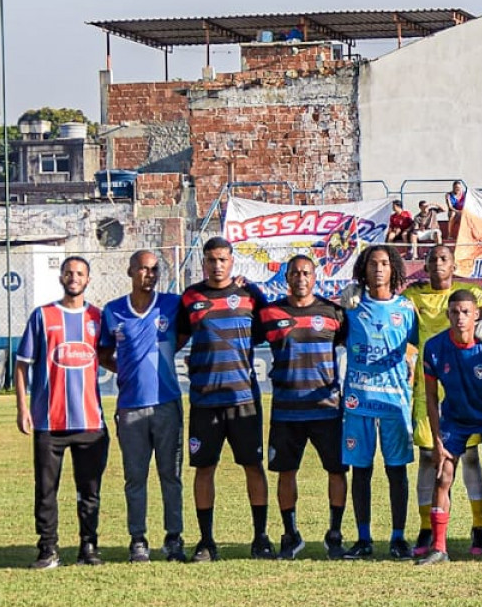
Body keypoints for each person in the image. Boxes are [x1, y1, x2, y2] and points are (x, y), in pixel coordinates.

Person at [176, 237, 271, 562]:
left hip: (243, 398)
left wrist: (257, 289)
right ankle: (206, 541)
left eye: (222, 260)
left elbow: (270, 326)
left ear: (232, 262)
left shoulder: (247, 297)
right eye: (211, 260)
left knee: (253, 466)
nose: (217, 265)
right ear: (203, 262)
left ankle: (260, 538)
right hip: (205, 401)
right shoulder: (190, 298)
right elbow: (175, 340)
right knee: (204, 469)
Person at [16, 256, 109, 569]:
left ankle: (89, 547)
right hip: (48, 422)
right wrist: (22, 408)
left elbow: (111, 358)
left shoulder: (98, 317)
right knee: (46, 491)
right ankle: (47, 550)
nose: (74, 277)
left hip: (90, 421)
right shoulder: (43, 316)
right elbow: (21, 365)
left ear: (88, 279)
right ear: (61, 277)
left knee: (90, 492)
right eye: (69, 272)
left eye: (80, 273)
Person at [257, 254, 348, 559]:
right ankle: (290, 534)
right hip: (286, 409)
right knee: (286, 472)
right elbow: (241, 338)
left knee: (336, 471)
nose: (300, 278)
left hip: (327, 408)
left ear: (315, 277)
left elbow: (357, 342)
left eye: (306, 273)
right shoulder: (270, 314)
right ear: (287, 277)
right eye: (295, 273)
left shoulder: (333, 312)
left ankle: (334, 534)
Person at [97, 249, 182, 563]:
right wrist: (128, 369)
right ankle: (138, 539)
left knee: (170, 474)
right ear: (130, 271)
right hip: (131, 406)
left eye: (155, 269)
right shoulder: (114, 310)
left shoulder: (172, 304)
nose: (150, 274)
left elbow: (184, 334)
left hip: (167, 403)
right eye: (144, 269)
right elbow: (104, 353)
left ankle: (174, 538)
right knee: (135, 477)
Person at [405, 243, 482, 554]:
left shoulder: (472, 292)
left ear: (454, 264)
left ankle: (478, 526)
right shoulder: (413, 296)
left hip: (466, 384)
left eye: (444, 258)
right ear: (425, 266)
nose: (438, 263)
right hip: (428, 384)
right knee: (429, 459)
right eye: (432, 259)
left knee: (469, 458)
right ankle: (427, 528)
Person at [418, 290, 482, 564]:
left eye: (466, 312)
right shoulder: (435, 347)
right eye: (455, 312)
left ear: (477, 316)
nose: (460, 318)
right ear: (448, 315)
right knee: (442, 474)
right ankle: (439, 547)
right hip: (455, 418)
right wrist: (437, 440)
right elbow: (432, 398)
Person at [341, 245, 419, 561]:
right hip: (358, 401)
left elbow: (420, 344)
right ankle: (363, 538)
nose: (378, 269)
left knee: (396, 470)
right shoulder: (351, 306)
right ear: (364, 268)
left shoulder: (406, 308)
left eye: (385, 264)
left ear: (394, 269)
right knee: (361, 470)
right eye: (373, 263)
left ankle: (398, 538)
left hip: (394, 402)